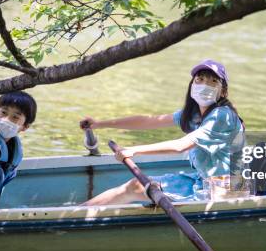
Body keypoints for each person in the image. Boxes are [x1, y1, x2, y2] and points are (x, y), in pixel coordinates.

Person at [80, 59, 245, 205]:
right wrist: (100, 124)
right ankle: (78, 214)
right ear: (192, 85)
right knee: (135, 185)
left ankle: (74, 218)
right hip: (202, 181)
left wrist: (134, 150)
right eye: (200, 80)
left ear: (222, 92)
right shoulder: (194, 115)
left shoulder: (222, 116)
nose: (204, 86)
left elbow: (181, 146)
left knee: (135, 188)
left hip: (227, 189)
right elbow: (148, 121)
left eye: (213, 82)